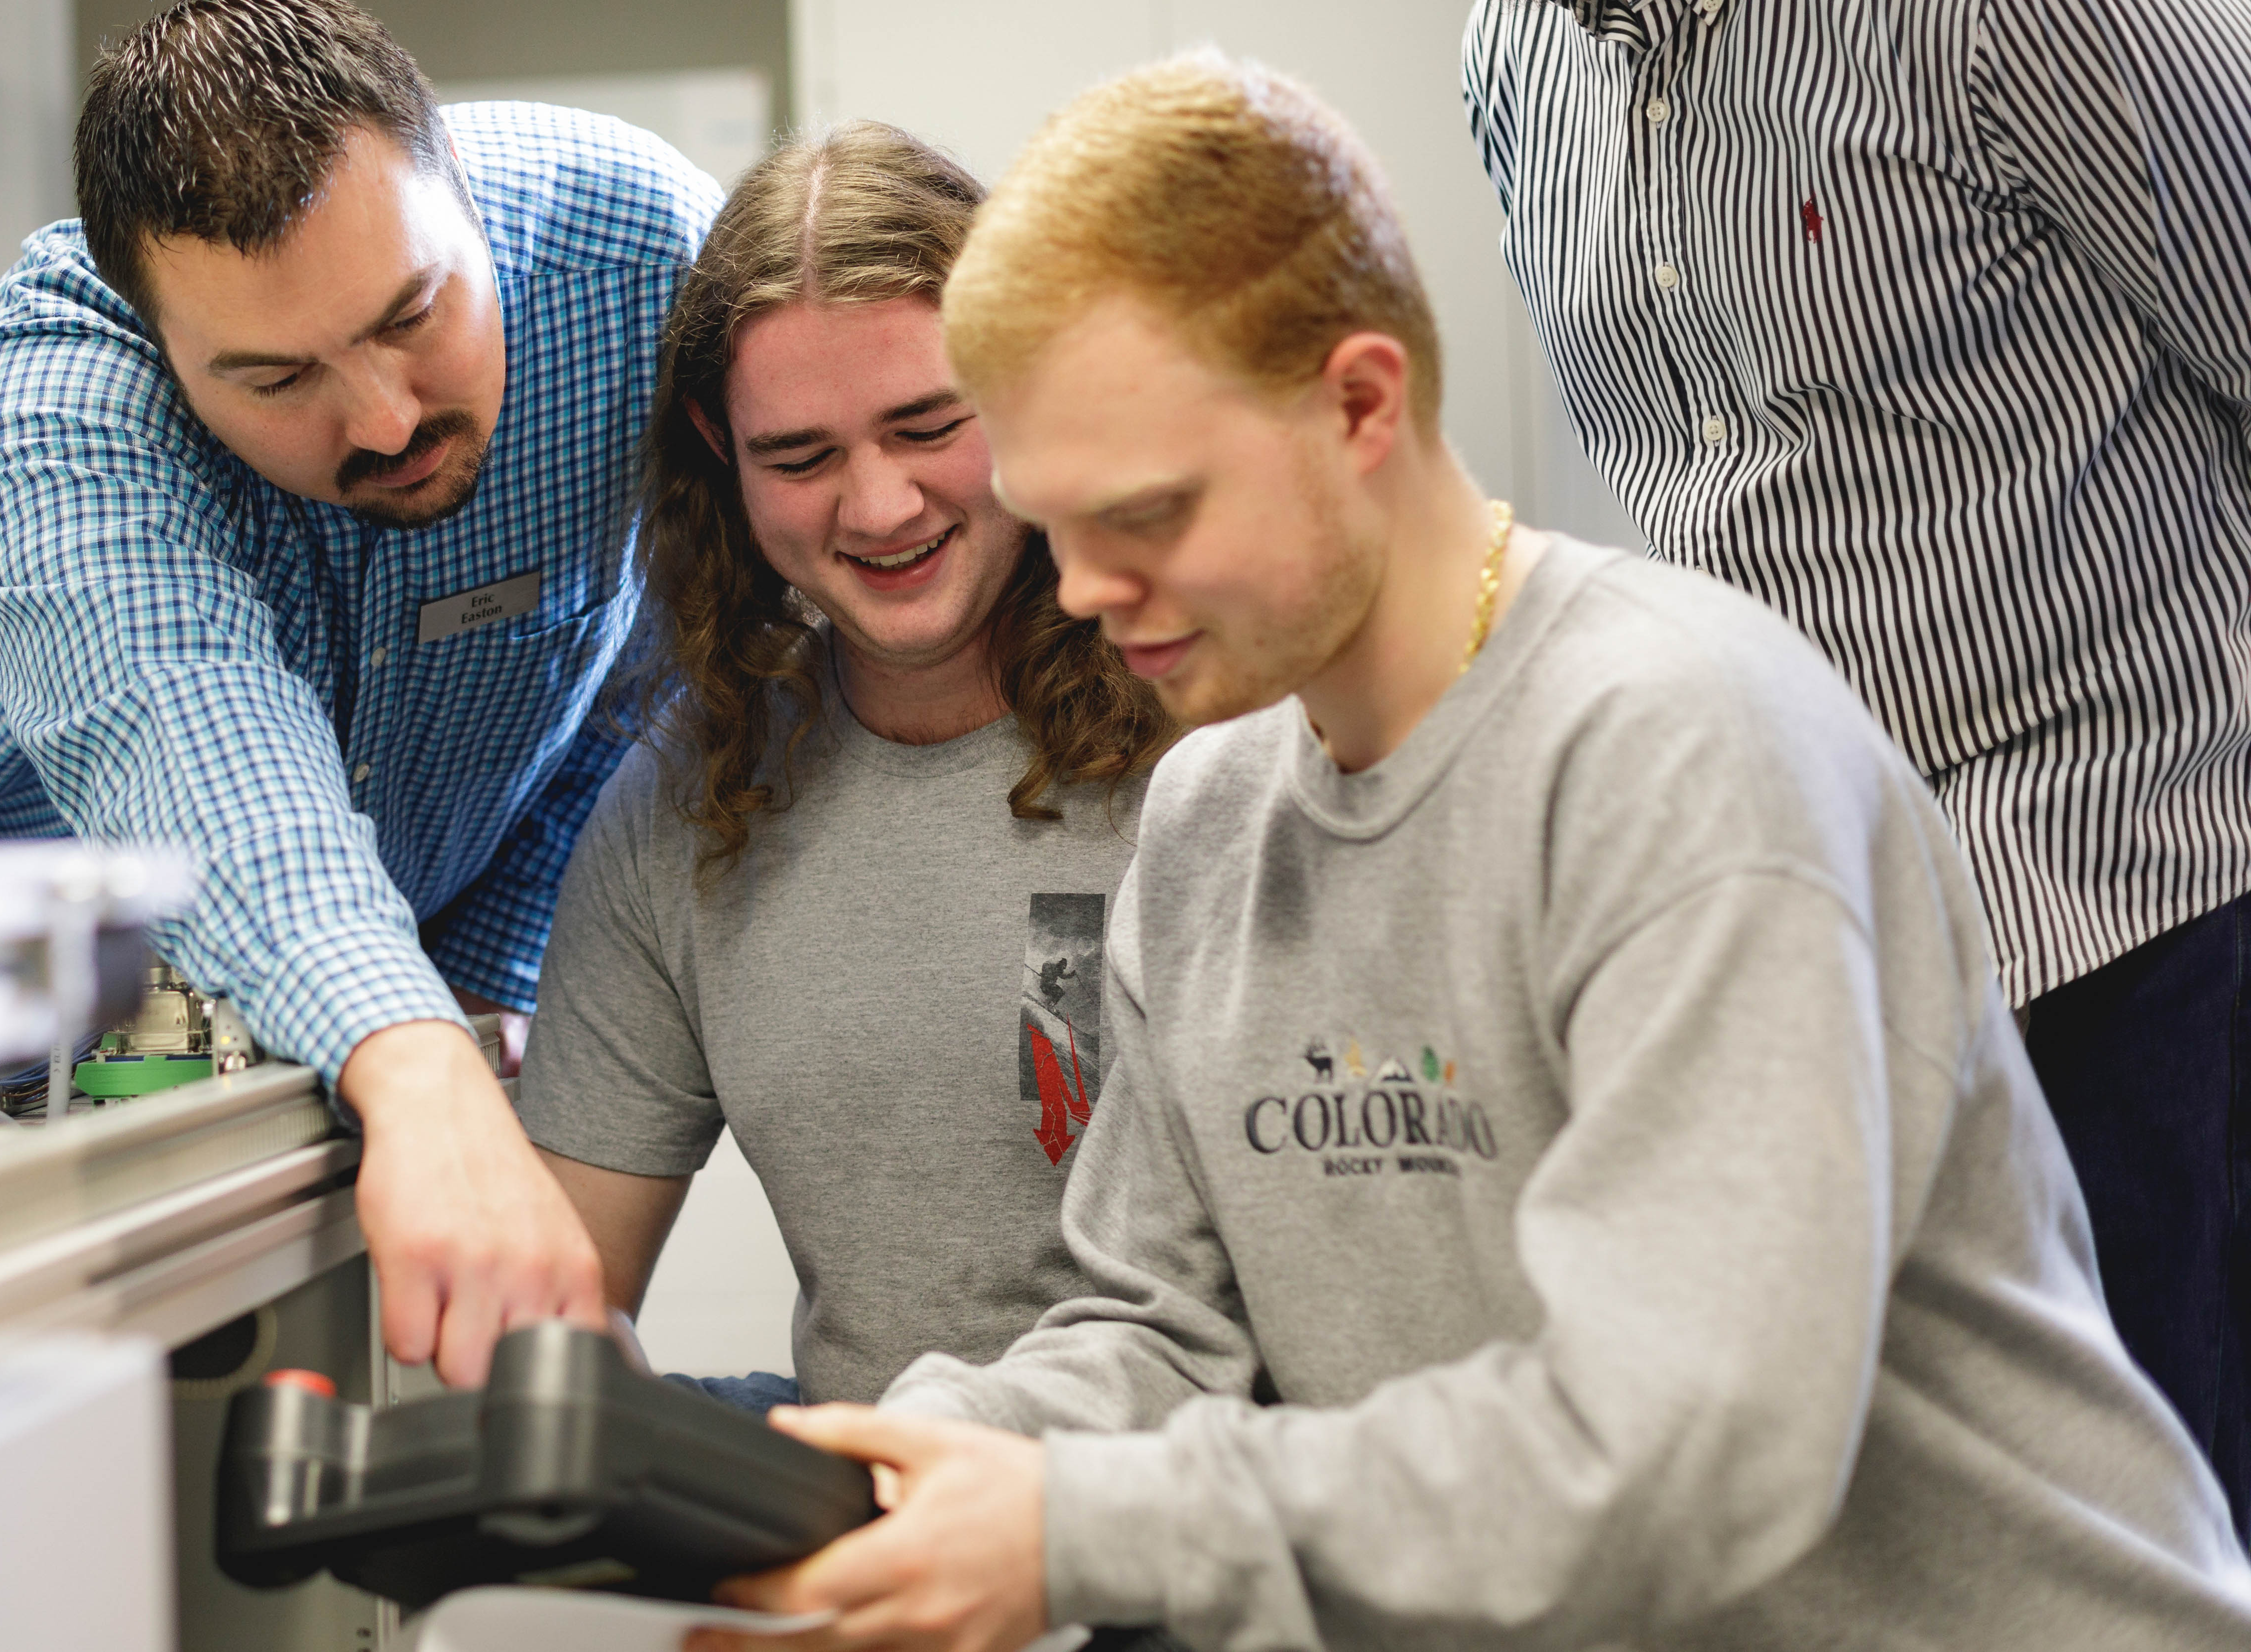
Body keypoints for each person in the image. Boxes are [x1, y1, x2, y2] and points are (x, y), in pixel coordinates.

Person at [696, 54, 2251, 1652]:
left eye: (1147, 515)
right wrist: (925, 1463)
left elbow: (1682, 1453)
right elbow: (1159, 1330)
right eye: (1058, 517)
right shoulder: (1211, 814)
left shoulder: (1682, 750)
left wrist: (1081, 1530)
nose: (1083, 589)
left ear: (1359, 403)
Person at [1465, 0, 2251, 1532]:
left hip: (2141, 898)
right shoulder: (1514, 55)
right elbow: (1677, 491)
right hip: (1816, 939)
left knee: (2164, 1544)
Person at [0, 0, 722, 1386]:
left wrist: (477, 995)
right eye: (275, 378)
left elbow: (647, 673)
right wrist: (412, 1061)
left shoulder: (638, 259)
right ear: (159, 340)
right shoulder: (47, 395)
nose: (386, 417)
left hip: (405, 914)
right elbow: (194, 748)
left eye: (414, 314)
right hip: (58, 915)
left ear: (457, 183)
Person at [515, 124, 1173, 1415]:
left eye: (929, 426)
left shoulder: (1209, 726)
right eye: (800, 457)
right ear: (722, 449)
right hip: (873, 1550)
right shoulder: (683, 808)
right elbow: (554, 1305)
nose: (877, 509)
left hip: (1198, 1549)